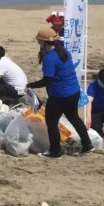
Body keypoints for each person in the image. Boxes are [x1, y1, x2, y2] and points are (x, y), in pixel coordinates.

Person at [26, 27, 93, 158]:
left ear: (43, 42)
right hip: (74, 92)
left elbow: (47, 80)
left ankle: (55, 151)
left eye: (39, 41)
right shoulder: (63, 51)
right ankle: (87, 144)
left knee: (51, 123)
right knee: (74, 118)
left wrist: (30, 85)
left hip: (60, 96)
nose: (39, 44)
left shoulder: (49, 58)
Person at [86, 68, 104, 136]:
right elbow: (89, 101)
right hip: (96, 112)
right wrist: (88, 117)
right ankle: (100, 131)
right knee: (95, 128)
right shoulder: (93, 85)